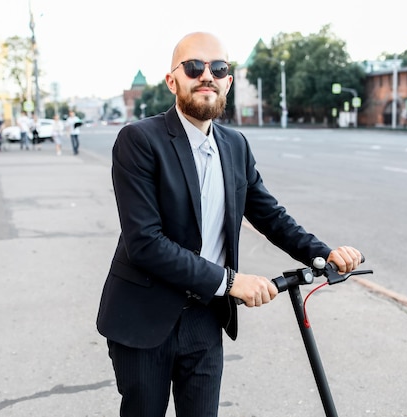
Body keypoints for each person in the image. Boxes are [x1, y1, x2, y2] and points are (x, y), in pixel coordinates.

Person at [95, 32, 364, 417]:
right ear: (173, 80)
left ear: (228, 82)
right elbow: (145, 242)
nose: (207, 75)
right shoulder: (138, 140)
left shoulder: (235, 145)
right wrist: (232, 282)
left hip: (206, 316)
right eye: (193, 67)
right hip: (144, 317)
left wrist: (323, 254)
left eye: (218, 68)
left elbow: (270, 215)